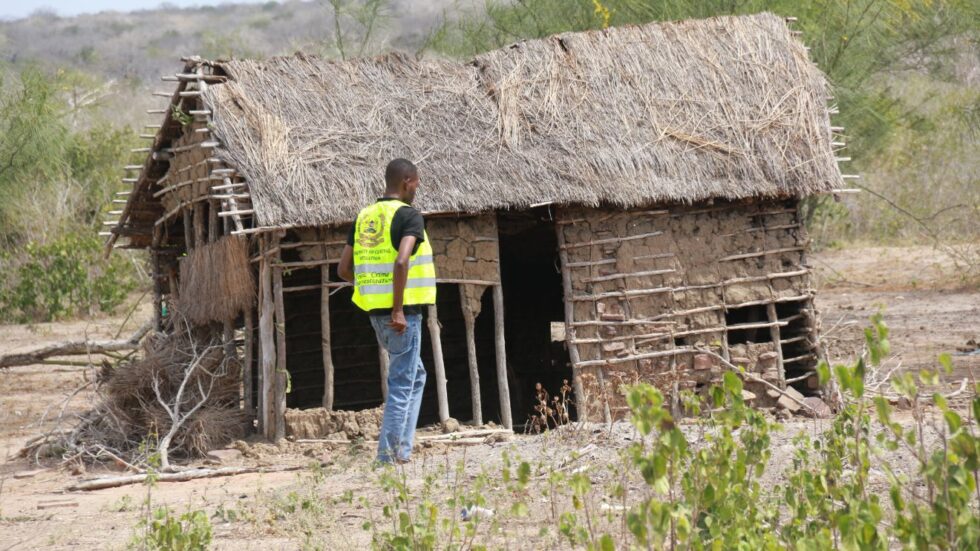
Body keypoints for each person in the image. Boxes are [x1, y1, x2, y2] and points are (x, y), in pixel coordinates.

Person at [338, 158, 436, 464]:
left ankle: (401, 450)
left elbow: (343, 269)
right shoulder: (409, 217)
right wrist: (397, 309)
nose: (417, 188)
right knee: (402, 382)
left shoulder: (365, 217)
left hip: (375, 314)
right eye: (416, 182)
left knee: (415, 376)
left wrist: (370, 284)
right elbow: (401, 261)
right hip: (401, 315)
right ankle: (389, 457)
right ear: (407, 181)